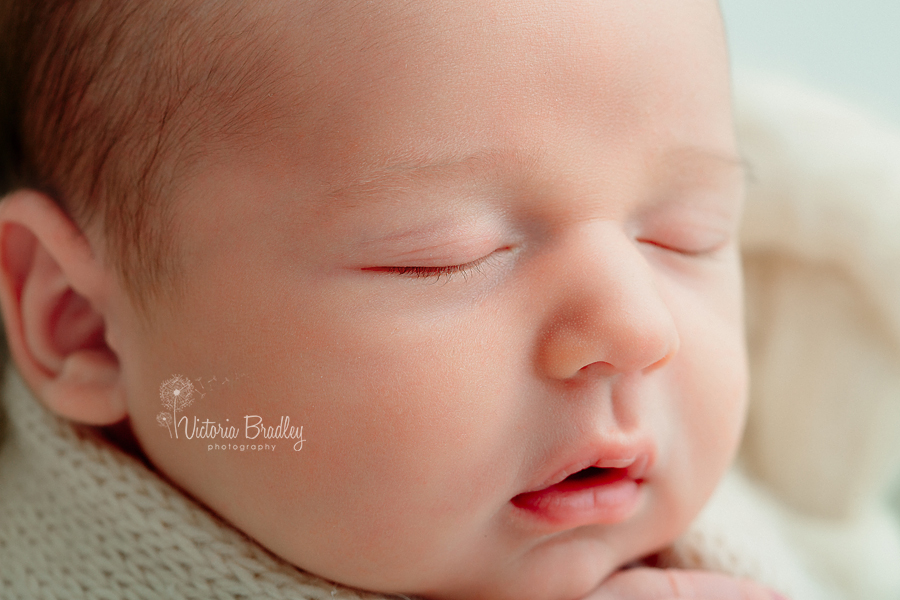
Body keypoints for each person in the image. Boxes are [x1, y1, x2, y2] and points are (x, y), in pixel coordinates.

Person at [2, 1, 882, 598]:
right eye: (445, 256)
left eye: (686, 234)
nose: (636, 327)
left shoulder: (785, 506)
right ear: (82, 325)